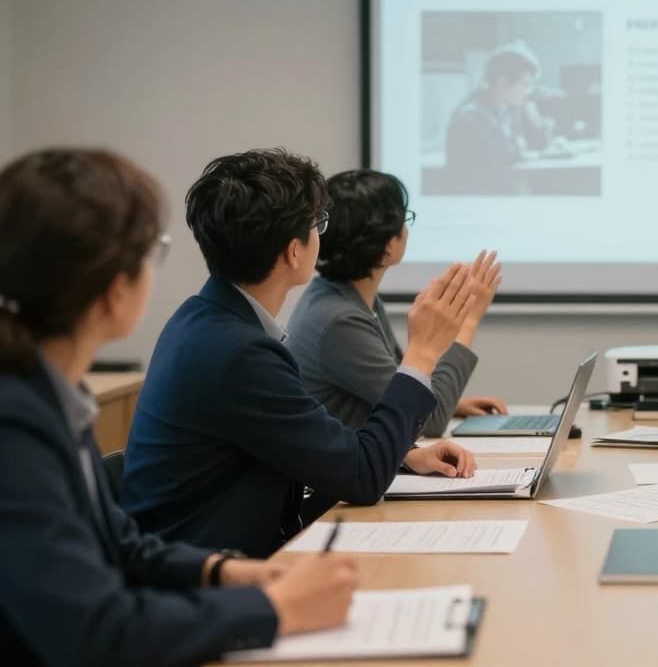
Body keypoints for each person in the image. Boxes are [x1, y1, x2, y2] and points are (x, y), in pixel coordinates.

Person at [0, 148, 357, 665]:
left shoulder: (47, 393)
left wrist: (224, 572)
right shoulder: (16, 422)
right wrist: (272, 608)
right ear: (112, 290)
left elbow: (119, 541)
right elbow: (97, 631)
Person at [122, 148, 483, 558]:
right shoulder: (238, 352)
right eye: (317, 224)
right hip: (213, 583)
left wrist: (404, 455)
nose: (320, 235)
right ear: (294, 251)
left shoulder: (204, 321)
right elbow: (360, 477)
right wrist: (422, 351)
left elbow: (320, 445)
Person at [287, 169, 506, 435]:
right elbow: (428, 421)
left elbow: (405, 386)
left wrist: (452, 404)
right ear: (389, 245)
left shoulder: (346, 296)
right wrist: (469, 319)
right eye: (405, 220)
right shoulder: (340, 320)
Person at [441, 42, 553, 194]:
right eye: (525, 84)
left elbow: (539, 143)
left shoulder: (508, 110)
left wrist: (532, 113)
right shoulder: (470, 118)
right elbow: (501, 160)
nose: (529, 91)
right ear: (502, 83)